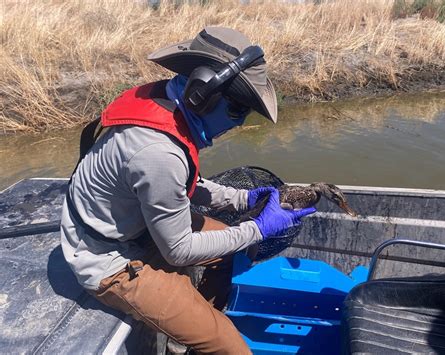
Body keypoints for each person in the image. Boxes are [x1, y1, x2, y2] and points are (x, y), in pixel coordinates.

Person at [60, 27, 315, 354]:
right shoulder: (159, 153)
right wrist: (258, 229)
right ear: (202, 94)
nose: (239, 124)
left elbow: (182, 180)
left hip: (134, 223)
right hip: (109, 258)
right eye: (237, 110)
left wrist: (241, 198)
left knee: (226, 246)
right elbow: (178, 250)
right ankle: (207, 335)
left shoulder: (165, 100)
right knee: (231, 347)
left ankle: (186, 339)